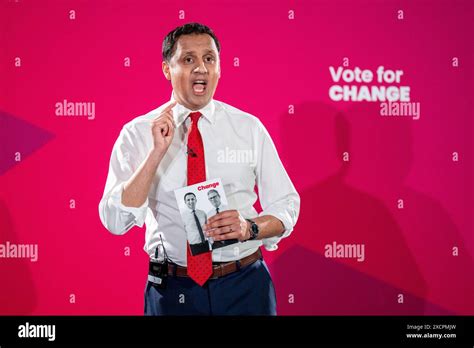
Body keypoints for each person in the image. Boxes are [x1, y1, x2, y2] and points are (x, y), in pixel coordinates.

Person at [98, 22, 300, 315]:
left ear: (219, 67)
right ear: (167, 69)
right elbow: (116, 222)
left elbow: (287, 206)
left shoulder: (249, 128)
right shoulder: (137, 133)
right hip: (171, 291)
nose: (201, 68)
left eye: (209, 59)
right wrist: (155, 154)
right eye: (188, 59)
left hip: (245, 286)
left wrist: (249, 227)